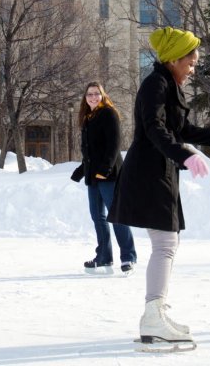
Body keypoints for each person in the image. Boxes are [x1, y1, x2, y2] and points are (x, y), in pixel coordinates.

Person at [109, 27, 210, 346]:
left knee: (167, 243)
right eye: (191, 63)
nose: (193, 69)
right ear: (173, 59)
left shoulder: (169, 86)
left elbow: (186, 130)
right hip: (148, 173)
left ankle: (156, 312)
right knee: (165, 244)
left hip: (161, 171)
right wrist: (184, 155)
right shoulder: (155, 85)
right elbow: (154, 128)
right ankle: (153, 316)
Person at [70, 82, 137, 275]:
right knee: (98, 217)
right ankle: (104, 257)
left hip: (109, 175)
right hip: (93, 176)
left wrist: (105, 170)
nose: (93, 97)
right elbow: (91, 151)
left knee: (116, 215)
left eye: (96, 94)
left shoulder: (108, 113)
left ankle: (128, 257)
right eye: (89, 94)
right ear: (85, 98)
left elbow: (113, 145)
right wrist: (81, 170)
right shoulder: (88, 117)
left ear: (102, 95)